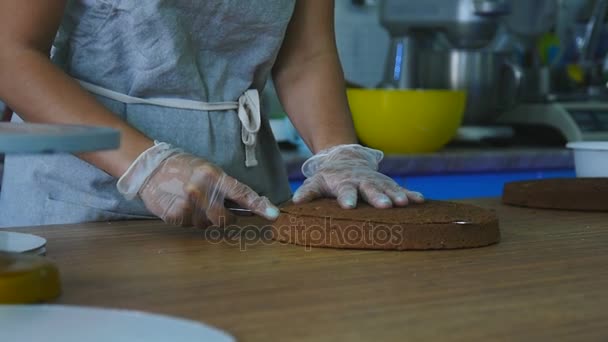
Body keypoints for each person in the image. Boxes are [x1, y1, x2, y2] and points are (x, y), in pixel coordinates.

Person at [0, 0, 424, 228]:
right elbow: (11, 53)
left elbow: (304, 56)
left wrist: (339, 153)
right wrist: (147, 165)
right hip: (83, 196)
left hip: (242, 197)